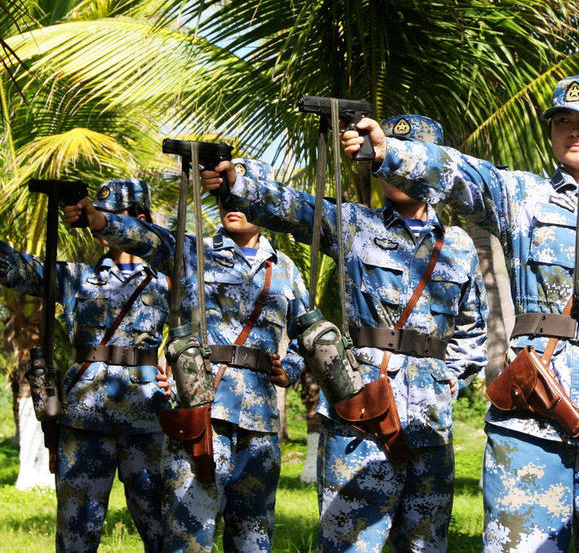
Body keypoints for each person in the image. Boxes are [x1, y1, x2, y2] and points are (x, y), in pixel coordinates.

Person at [342, 82, 579, 552]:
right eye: (563, 120)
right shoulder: (523, 197)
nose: (575, 130)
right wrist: (390, 153)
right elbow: (458, 173)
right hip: (529, 423)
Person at [207, 114, 488, 553]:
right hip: (362, 407)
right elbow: (291, 206)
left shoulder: (458, 245)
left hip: (431, 420)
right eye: (379, 154)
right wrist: (237, 183)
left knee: (425, 543)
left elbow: (473, 328)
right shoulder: (354, 225)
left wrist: (450, 380)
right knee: (349, 541)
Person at [64, 158, 308, 553]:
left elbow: (306, 330)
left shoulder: (286, 270)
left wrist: (290, 368)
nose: (232, 203)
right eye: (224, 195)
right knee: (188, 538)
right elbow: (145, 238)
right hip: (200, 417)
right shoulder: (193, 253)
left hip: (260, 425)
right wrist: (98, 221)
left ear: (264, 203)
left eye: (242, 195)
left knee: (254, 538)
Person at [1, 179, 167, 552]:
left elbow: (203, 330)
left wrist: (177, 375)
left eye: (112, 216)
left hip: (148, 418)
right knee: (76, 534)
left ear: (139, 219)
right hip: (84, 420)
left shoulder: (167, 281)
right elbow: (17, 269)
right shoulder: (77, 278)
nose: (99, 225)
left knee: (161, 530)